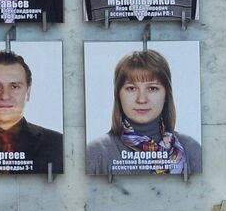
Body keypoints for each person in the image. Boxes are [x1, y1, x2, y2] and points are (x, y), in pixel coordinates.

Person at [86, 48, 202, 176]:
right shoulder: (96, 151)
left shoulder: (191, 149)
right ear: (118, 95)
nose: (141, 99)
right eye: (131, 88)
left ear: (166, 95)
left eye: (152, 88)